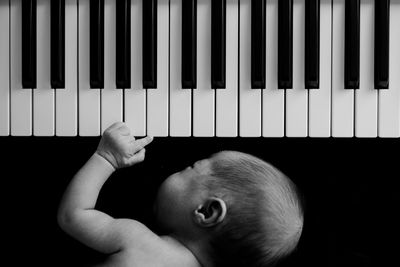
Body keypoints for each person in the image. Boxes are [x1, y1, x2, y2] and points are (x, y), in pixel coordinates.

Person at [57, 122, 304, 267]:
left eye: (191, 168)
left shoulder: (140, 242)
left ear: (207, 212)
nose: (182, 167)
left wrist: (106, 158)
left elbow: (73, 215)